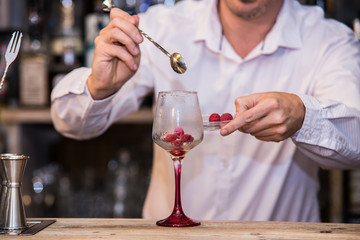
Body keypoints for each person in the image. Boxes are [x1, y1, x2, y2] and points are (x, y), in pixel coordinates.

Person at [51, 0, 360, 222]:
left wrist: (303, 115)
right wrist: (99, 86)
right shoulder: (162, 26)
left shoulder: (328, 40)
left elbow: (355, 143)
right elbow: (71, 123)